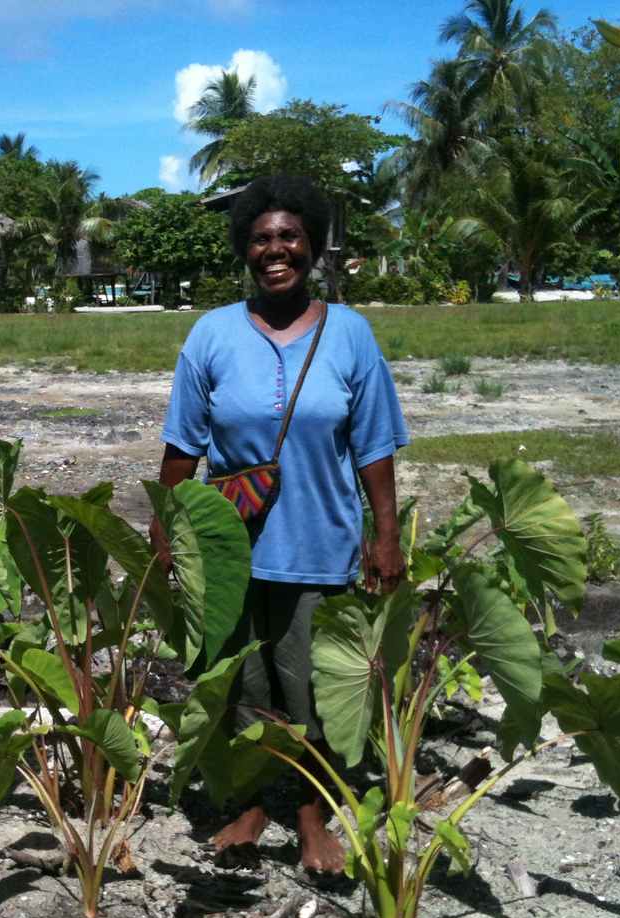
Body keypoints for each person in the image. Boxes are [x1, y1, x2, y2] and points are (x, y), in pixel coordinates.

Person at [153, 175, 409, 873]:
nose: (276, 250)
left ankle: (309, 818)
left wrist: (385, 536)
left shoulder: (350, 333)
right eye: (262, 237)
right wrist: (165, 530)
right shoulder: (211, 334)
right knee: (245, 689)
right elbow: (182, 447)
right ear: (245, 248)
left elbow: (376, 444)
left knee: (313, 692)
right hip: (228, 549)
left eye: (289, 236)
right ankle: (251, 806)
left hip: (320, 545)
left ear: (312, 245)